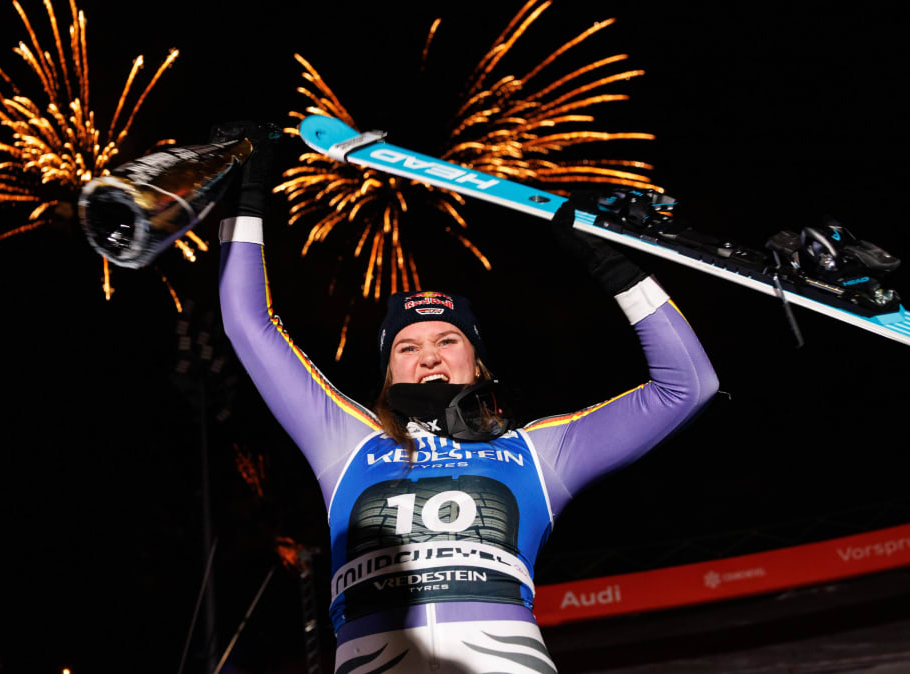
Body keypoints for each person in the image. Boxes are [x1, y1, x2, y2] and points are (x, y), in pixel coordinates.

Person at [215, 121, 718, 672]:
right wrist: (249, 194)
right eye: (407, 347)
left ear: (476, 363)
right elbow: (247, 323)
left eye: (447, 340)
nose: (428, 356)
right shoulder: (344, 442)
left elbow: (688, 387)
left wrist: (614, 267)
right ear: (389, 373)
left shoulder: (540, 453)